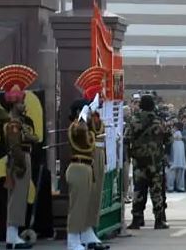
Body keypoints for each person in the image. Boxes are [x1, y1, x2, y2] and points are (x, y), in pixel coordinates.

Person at [0, 65, 39, 250]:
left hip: (22, 158)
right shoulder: (13, 124)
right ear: (14, 104)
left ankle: (13, 236)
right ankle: (12, 237)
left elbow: (34, 138)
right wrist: (21, 164)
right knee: (16, 199)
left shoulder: (20, 123)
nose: (24, 105)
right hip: (19, 160)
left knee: (20, 198)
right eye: (22, 102)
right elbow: (15, 147)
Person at [74, 66, 110, 250]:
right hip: (90, 156)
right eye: (99, 95)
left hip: (99, 154)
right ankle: (80, 234)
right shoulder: (84, 119)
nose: (102, 98)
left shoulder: (97, 117)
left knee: (96, 196)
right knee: (86, 196)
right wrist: (87, 112)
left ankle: (89, 231)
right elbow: (84, 132)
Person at [126, 95, 171, 230]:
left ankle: (137, 219)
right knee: (156, 190)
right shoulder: (159, 121)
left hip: (139, 161)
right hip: (155, 161)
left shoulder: (133, 120)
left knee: (139, 190)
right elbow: (168, 139)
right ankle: (159, 220)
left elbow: (127, 138)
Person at [65, 103, 96, 250]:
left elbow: (93, 130)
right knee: (77, 206)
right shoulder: (75, 127)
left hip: (86, 167)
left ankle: (82, 236)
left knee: (84, 205)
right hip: (78, 167)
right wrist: (83, 115)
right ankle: (72, 240)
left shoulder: (85, 128)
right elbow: (80, 130)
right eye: (87, 111)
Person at [166, 122, 186, 192]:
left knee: (172, 172)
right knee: (178, 172)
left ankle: (171, 187)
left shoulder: (176, 137)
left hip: (176, 158)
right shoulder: (179, 137)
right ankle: (179, 187)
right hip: (178, 158)